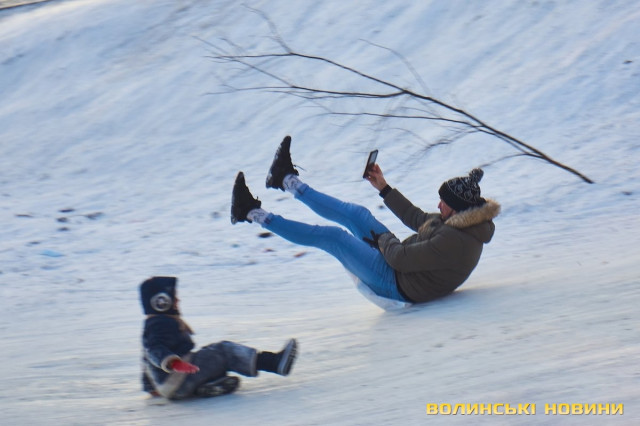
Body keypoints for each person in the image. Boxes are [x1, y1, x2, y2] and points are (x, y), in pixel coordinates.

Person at [231, 136, 500, 308]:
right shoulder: (457, 223)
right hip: (397, 264)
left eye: (444, 202)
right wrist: (383, 187)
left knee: (334, 238)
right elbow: (417, 218)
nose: (438, 206)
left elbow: (400, 259)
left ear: (458, 208)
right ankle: (286, 180)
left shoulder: (456, 240)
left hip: (396, 284)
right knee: (357, 214)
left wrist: (383, 240)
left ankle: (251, 213)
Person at [140, 276, 298, 400]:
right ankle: (274, 363)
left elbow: (145, 356)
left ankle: (206, 386)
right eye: (174, 298)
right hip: (179, 377)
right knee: (224, 351)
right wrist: (173, 362)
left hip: (171, 386)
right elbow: (154, 349)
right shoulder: (160, 323)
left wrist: (152, 387)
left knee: (208, 357)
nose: (178, 301)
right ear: (162, 302)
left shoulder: (152, 324)